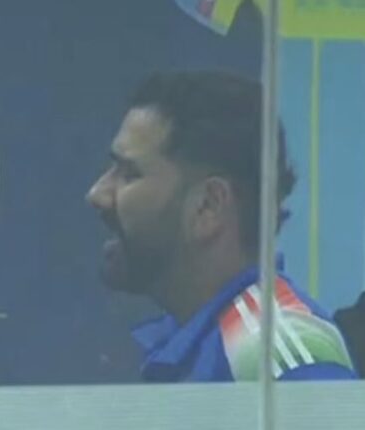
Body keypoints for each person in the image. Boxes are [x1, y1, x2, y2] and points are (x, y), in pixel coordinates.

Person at [86, 70, 356, 382]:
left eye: (129, 174)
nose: (97, 194)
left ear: (208, 206)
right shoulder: (202, 338)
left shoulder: (272, 350)